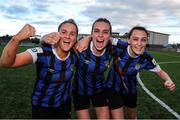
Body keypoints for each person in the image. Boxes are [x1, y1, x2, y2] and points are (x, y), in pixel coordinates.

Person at [0, 18, 78, 119]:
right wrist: (16, 39)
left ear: (76, 38)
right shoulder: (41, 52)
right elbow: (5, 63)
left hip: (64, 104)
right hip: (42, 106)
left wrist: (87, 39)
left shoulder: (76, 54)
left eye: (72, 34)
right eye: (64, 32)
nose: (68, 36)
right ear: (57, 34)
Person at [42, 18, 112, 119]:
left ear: (109, 35)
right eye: (96, 31)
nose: (100, 35)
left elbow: (131, 46)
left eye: (105, 32)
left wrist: (88, 37)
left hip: (99, 90)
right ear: (92, 33)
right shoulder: (79, 47)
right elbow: (57, 45)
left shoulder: (112, 49)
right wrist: (43, 37)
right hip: (80, 91)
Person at [106, 26, 176, 119]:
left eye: (143, 40)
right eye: (135, 39)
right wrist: (86, 39)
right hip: (113, 87)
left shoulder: (147, 58)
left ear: (146, 42)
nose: (139, 43)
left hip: (131, 90)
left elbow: (160, 72)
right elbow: (102, 36)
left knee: (132, 117)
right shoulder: (119, 45)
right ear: (129, 40)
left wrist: (168, 80)